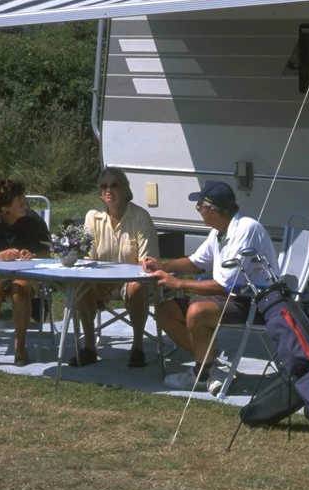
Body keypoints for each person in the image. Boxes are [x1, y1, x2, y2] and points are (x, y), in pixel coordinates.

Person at [141, 181, 279, 391]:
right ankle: (212, 366)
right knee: (165, 311)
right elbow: (195, 262)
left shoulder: (246, 230)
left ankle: (201, 373)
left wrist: (178, 283)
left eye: (199, 206)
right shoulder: (219, 232)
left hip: (255, 302)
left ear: (213, 210)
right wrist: (162, 265)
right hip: (231, 298)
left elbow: (226, 286)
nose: (198, 210)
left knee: (197, 312)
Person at [71, 167, 159, 368]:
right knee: (80, 284)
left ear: (125, 189)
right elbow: (88, 257)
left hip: (135, 281)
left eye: (114, 185)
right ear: (100, 193)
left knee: (136, 286)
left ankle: (137, 348)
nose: (108, 190)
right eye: (103, 186)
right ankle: (89, 348)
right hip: (99, 281)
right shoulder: (93, 217)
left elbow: (146, 263)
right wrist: (100, 282)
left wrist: (114, 282)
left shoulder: (140, 217)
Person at [0, 179, 51, 367]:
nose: (26, 206)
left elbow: (50, 251)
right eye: (20, 203)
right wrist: (0, 255)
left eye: (25, 201)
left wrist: (33, 254)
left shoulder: (32, 220)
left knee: (20, 288)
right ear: (5, 208)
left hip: (26, 274)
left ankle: (20, 345)